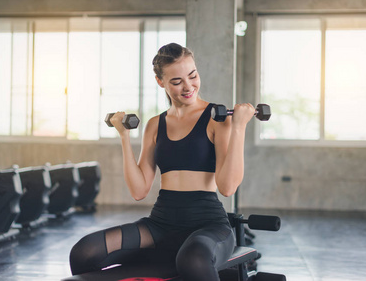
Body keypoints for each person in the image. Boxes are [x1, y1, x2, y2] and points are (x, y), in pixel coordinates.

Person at [69, 43, 256, 281]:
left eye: (193, 76)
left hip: (207, 224)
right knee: (85, 251)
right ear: (161, 82)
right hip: (160, 223)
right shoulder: (155, 124)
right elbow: (139, 190)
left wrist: (239, 127)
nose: (189, 87)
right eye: (177, 81)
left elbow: (228, 188)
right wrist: (124, 136)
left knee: (193, 260)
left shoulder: (217, 119)